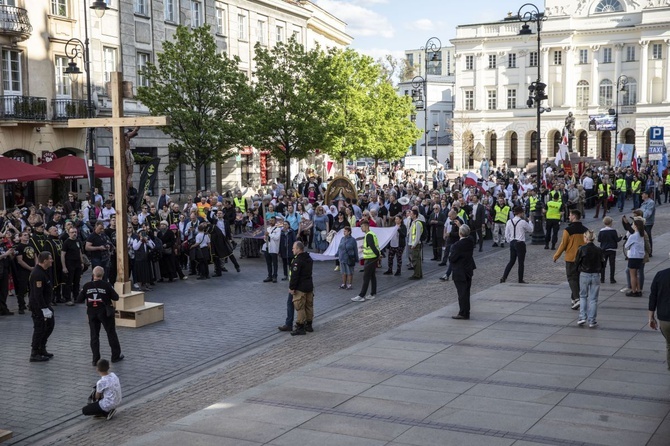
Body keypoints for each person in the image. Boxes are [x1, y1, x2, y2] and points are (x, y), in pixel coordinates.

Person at [79, 266, 123, 365]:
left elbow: (79, 299)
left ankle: (95, 359)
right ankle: (115, 356)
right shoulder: (106, 285)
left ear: (93, 275)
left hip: (92, 313)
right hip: (105, 313)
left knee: (94, 336)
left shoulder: (87, 286)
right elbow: (116, 297)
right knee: (111, 333)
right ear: (102, 275)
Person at [553, 209, 589, 310]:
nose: (569, 217)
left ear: (573, 216)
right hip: (583, 258)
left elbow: (563, 244)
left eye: (570, 215)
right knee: (578, 278)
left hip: (571, 257)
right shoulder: (586, 229)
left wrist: (556, 255)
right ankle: (574, 299)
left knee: (571, 278)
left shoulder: (568, 230)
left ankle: (577, 299)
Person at [29, 251, 55, 362]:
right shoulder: (37, 274)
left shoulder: (44, 271)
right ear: (44, 261)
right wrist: (43, 308)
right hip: (38, 306)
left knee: (49, 325)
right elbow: (37, 294)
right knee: (39, 328)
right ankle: (34, 353)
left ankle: (42, 347)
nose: (52, 260)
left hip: (45, 304)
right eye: (50, 259)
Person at [575, 230, 603, 328]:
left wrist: (577, 270)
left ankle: (582, 317)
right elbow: (603, 263)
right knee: (593, 299)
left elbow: (577, 261)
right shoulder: (598, 249)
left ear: (586, 238)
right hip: (595, 274)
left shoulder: (582, 249)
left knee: (583, 296)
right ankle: (592, 320)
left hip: (584, 273)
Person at [500, 206, 533, 284]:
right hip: (520, 242)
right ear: (520, 213)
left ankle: (504, 277)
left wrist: (509, 241)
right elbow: (531, 230)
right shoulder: (522, 222)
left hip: (512, 242)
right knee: (521, 262)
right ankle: (520, 279)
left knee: (511, 261)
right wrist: (530, 221)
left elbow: (506, 234)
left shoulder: (509, 221)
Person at [648, 257, 670, 371]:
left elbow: (653, 297)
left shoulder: (660, 275)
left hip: (665, 318)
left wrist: (651, 317)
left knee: (669, 345)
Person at [450, 224, 476, 320]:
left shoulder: (457, 245)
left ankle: (462, 312)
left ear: (460, 234)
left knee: (461, 293)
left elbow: (452, 258)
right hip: (468, 269)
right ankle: (466, 311)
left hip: (460, 271)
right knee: (466, 292)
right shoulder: (470, 241)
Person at [288, 241, 314, 336]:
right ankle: (309, 325)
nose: (292, 250)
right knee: (309, 306)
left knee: (300, 307)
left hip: (300, 288)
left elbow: (295, 276)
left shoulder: (297, 261)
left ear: (298, 249)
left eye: (293, 248)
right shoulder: (308, 258)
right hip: (309, 286)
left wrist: (292, 288)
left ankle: (300, 326)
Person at [352, 220, 379, 302]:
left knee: (366, 277)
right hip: (372, 257)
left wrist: (377, 255)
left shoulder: (369, 235)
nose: (361, 228)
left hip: (370, 258)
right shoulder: (371, 234)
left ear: (367, 226)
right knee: (372, 276)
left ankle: (361, 295)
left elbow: (373, 247)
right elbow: (371, 246)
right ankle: (372, 293)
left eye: (362, 226)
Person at [61, 226, 85, 305]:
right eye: (72, 232)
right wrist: (64, 266)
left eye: (75, 232)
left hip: (77, 263)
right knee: (69, 282)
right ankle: (67, 298)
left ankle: (76, 297)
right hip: (69, 264)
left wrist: (82, 262)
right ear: (68, 233)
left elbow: (80, 252)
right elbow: (62, 255)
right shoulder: (66, 242)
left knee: (77, 281)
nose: (74, 234)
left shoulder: (78, 241)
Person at [624, 219, 645, 297]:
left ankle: (633, 291)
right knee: (637, 274)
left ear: (635, 226)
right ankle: (638, 290)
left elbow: (626, 246)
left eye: (633, 224)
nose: (632, 225)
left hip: (633, 256)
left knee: (632, 275)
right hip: (640, 256)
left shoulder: (633, 235)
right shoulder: (641, 234)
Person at [597, 217, 621, 284]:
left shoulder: (601, 231)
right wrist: (621, 237)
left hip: (604, 249)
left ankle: (602, 279)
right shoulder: (613, 231)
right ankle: (612, 279)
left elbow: (599, 240)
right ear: (611, 223)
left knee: (603, 265)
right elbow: (617, 240)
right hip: (612, 249)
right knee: (612, 264)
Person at [262, 216, 281, 283]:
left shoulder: (278, 229)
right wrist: (265, 236)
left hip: (274, 248)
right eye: (270, 220)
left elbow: (276, 238)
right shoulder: (268, 228)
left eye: (272, 220)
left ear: (275, 221)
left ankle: (275, 276)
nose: (271, 222)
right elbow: (265, 238)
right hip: (267, 247)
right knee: (268, 263)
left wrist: (269, 234)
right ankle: (269, 275)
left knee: (274, 263)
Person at [408, 209, 423, 280]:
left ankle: (416, 274)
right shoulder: (414, 222)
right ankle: (419, 273)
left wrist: (414, 244)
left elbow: (417, 235)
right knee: (417, 259)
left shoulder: (417, 223)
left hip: (415, 244)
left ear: (415, 215)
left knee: (415, 260)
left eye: (411, 213)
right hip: (414, 244)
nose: (410, 214)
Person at [640, 191, 655, 257]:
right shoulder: (644, 203)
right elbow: (642, 211)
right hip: (643, 221)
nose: (641, 195)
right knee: (644, 236)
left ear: (646, 195)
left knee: (647, 237)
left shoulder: (651, 202)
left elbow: (648, 213)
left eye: (642, 194)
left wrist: (640, 215)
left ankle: (649, 252)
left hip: (648, 222)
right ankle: (646, 250)